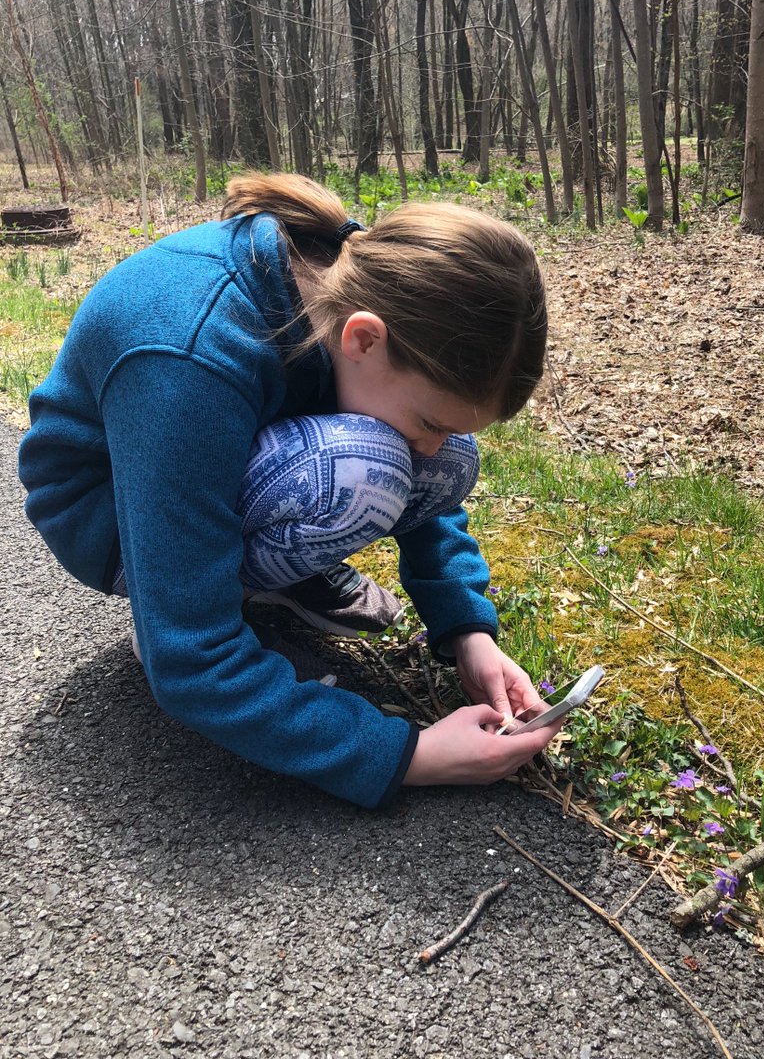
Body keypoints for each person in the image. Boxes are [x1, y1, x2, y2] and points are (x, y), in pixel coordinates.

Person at [18, 173, 560, 809]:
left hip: (217, 454)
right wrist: (407, 754)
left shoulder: (351, 285)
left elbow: (432, 476)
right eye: (430, 419)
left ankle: (275, 576)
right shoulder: (191, 355)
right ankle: (181, 596)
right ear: (364, 339)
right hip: (111, 513)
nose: (432, 445)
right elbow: (192, 668)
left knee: (444, 461)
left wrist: (469, 632)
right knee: (370, 464)